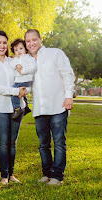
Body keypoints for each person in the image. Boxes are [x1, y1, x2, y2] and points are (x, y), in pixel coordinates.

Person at [24, 29, 75, 185]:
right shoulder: (26, 61)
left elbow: (67, 74)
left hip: (58, 105)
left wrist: (68, 96)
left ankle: (57, 176)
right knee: (43, 144)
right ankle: (47, 174)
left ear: (40, 39)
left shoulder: (55, 53)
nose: (31, 43)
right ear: (25, 44)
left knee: (59, 142)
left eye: (34, 39)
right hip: (40, 108)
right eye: (28, 41)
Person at [0, 30, 27, 185]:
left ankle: (11, 174)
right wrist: (15, 91)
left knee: (13, 142)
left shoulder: (12, 61)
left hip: (17, 107)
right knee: (3, 142)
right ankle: (4, 175)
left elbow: (24, 76)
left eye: (4, 43)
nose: (2, 46)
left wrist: (24, 89)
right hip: (0, 108)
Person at [10, 38, 37, 119]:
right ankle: (26, 107)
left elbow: (33, 67)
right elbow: (11, 64)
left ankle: (17, 108)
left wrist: (22, 70)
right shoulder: (15, 59)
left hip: (25, 80)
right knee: (22, 93)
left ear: (26, 49)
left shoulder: (29, 58)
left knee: (14, 92)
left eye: (21, 48)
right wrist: (16, 65)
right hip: (20, 80)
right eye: (16, 50)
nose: (19, 51)